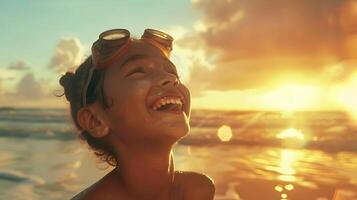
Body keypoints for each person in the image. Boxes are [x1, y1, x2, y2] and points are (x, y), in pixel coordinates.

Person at [59, 28, 215, 200]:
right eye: (138, 71)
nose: (171, 78)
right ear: (95, 120)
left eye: (171, 71)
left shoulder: (196, 190)